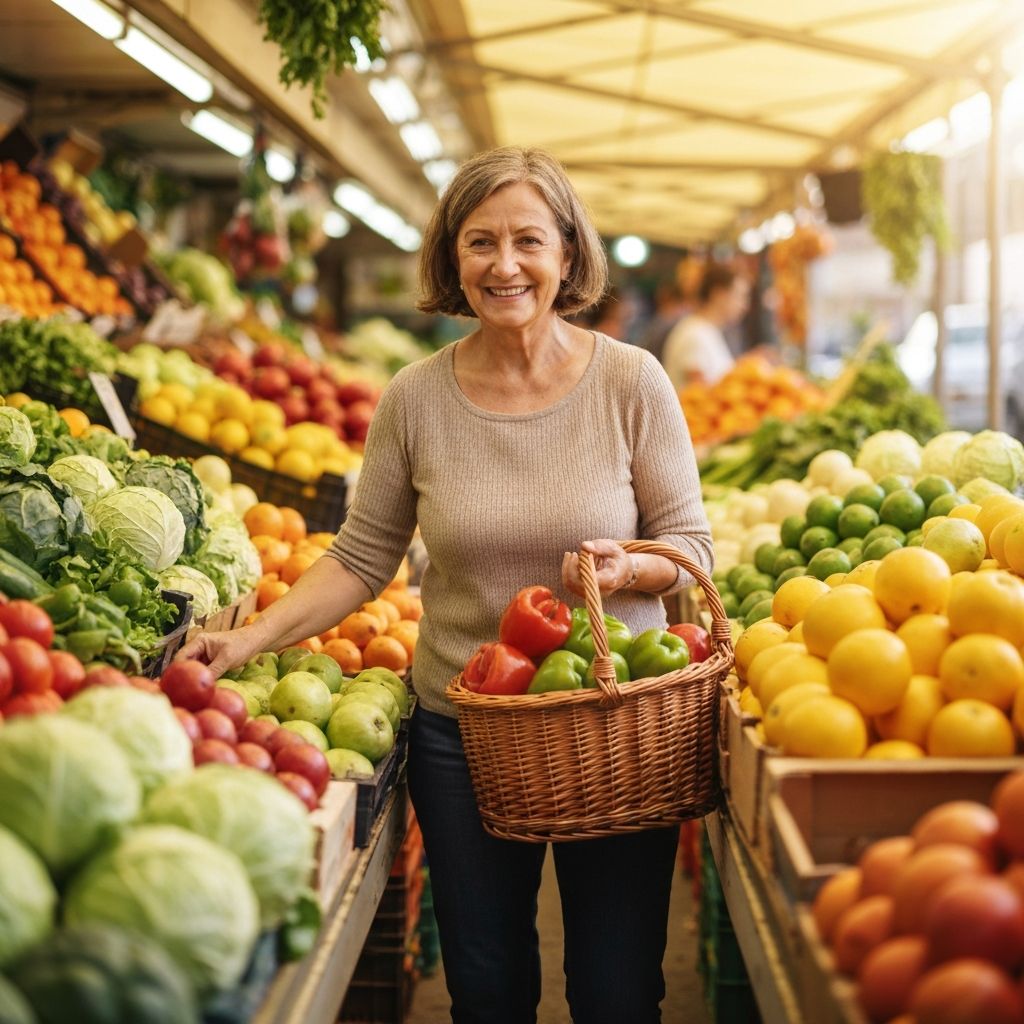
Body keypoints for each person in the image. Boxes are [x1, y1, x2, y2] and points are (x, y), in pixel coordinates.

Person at [179, 146, 712, 1024]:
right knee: (488, 987)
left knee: (618, 993)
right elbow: (360, 558)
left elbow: (690, 543)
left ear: (569, 255)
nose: (505, 266)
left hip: (611, 721)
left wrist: (632, 564)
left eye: (529, 242)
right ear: (451, 259)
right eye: (480, 243)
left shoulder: (632, 381)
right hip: (463, 731)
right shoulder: (414, 399)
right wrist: (247, 638)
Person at [661, 262, 750, 390]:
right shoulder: (694, 335)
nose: (744, 306)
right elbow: (700, 396)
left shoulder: (707, 331)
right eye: (740, 296)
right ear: (718, 295)